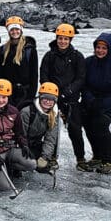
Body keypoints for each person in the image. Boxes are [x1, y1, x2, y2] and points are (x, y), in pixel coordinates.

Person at [80, 33, 111, 174]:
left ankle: (108, 160)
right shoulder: (88, 62)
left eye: (104, 48)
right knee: (86, 121)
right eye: (98, 47)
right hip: (91, 101)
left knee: (100, 124)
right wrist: (89, 98)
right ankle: (97, 156)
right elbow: (83, 83)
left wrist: (103, 103)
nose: (100, 50)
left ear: (110, 49)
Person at [39, 23, 87, 170]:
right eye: (60, 38)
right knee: (51, 129)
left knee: (75, 130)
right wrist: (51, 93)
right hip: (51, 99)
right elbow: (44, 76)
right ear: (57, 38)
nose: (63, 41)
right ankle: (51, 157)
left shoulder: (77, 56)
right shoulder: (49, 56)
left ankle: (80, 158)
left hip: (71, 99)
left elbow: (81, 78)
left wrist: (68, 92)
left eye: (66, 39)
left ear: (70, 39)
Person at [0, 78, 36, 192]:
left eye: (4, 97)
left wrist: (24, 145)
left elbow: (19, 133)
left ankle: (9, 166)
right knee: (5, 187)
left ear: (8, 98)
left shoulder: (14, 111)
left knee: (32, 164)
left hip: (9, 148)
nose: (0, 100)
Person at [20, 83, 60, 174]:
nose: (48, 102)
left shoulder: (54, 115)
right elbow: (20, 135)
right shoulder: (27, 112)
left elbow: (50, 139)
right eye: (45, 98)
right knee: (29, 163)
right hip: (22, 145)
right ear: (40, 98)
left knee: (45, 166)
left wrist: (44, 157)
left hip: (35, 144)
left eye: (51, 99)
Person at [0, 16, 38, 109]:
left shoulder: (30, 50)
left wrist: (31, 96)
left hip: (25, 93)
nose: (14, 32)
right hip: (8, 93)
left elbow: (34, 75)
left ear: (21, 30)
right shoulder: (3, 50)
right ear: (8, 31)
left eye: (17, 29)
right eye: (12, 30)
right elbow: (0, 73)